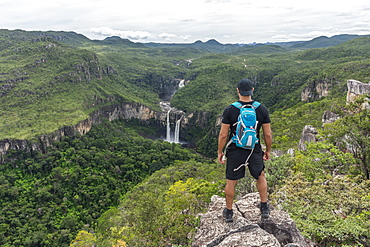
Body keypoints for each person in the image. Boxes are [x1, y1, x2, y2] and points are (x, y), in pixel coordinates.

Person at [217, 78, 272, 222]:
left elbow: (223, 134)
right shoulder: (261, 109)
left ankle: (229, 212)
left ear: (238, 91)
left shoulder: (230, 109)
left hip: (235, 149)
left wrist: (220, 152)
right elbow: (267, 134)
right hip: (254, 148)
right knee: (260, 176)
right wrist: (268, 150)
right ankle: (264, 207)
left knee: (231, 181)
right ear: (252, 90)